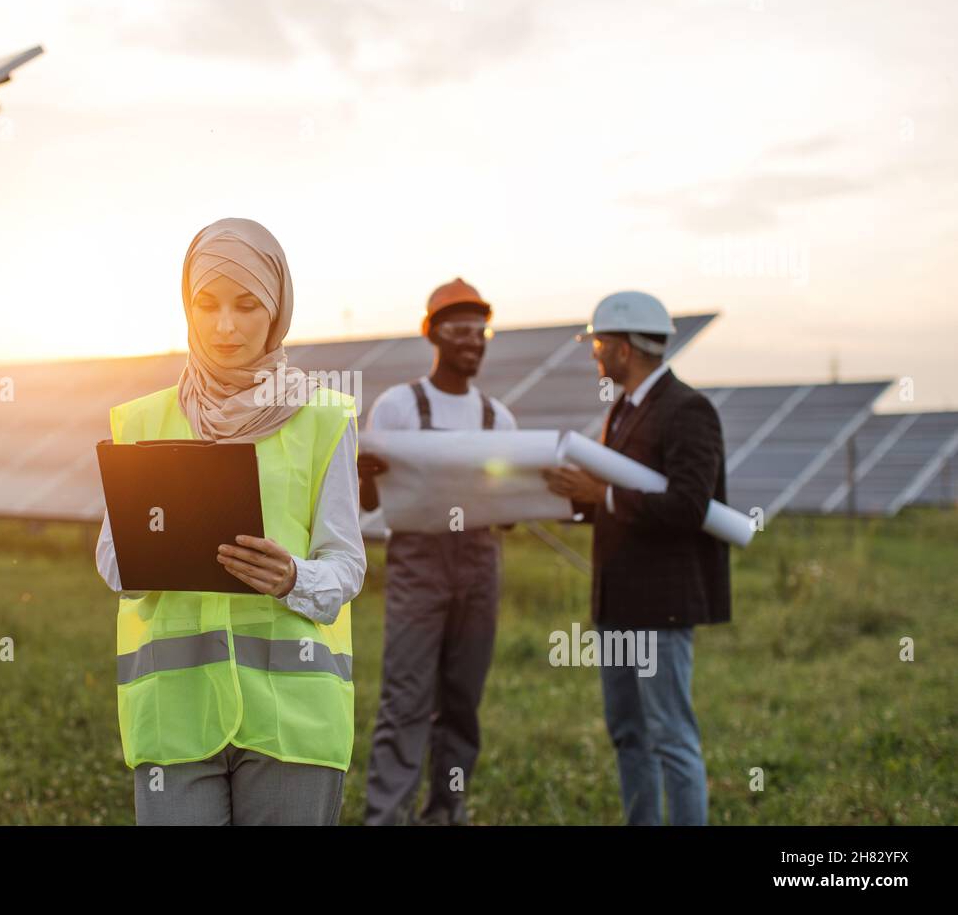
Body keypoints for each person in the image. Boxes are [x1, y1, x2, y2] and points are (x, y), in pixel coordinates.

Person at [95, 217, 366, 825]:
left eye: (247, 306)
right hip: (174, 714)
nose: (224, 326)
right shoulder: (142, 422)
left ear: (278, 310)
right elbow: (114, 565)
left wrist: (294, 576)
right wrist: (153, 550)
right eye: (206, 304)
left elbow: (347, 565)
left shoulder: (324, 419)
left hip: (294, 719)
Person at [542, 290, 731, 826]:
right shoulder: (623, 411)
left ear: (624, 349)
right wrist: (570, 495)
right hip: (618, 602)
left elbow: (689, 506)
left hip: (661, 606)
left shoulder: (688, 410)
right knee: (629, 732)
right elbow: (618, 504)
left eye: (599, 343)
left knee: (670, 736)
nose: (594, 353)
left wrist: (598, 494)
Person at [358, 277, 517, 825]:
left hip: (480, 566)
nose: (473, 340)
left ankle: (446, 813)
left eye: (481, 331)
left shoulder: (500, 418)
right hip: (418, 567)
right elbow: (366, 497)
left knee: (462, 701)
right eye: (459, 330)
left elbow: (510, 513)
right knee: (405, 701)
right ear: (432, 334)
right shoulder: (399, 406)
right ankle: (387, 817)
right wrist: (362, 474)